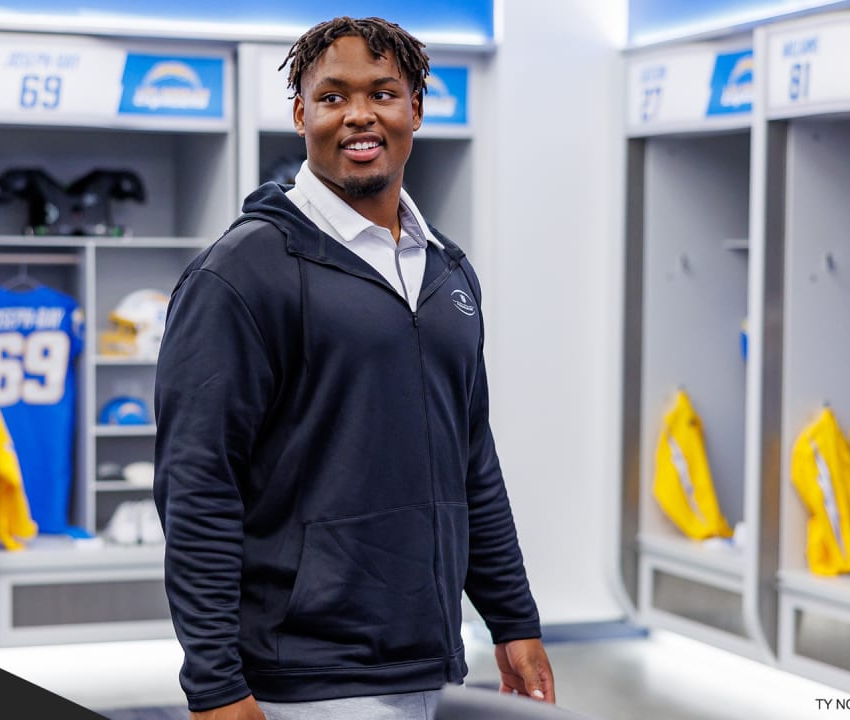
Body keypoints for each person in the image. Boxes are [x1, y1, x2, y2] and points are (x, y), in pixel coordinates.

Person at [154, 16, 554, 720]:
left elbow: (472, 460)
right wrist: (215, 684)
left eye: (384, 93)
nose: (359, 116)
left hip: (426, 659)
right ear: (302, 113)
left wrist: (512, 618)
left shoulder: (445, 270)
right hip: (304, 679)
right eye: (334, 96)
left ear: (417, 110)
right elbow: (198, 482)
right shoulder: (243, 273)